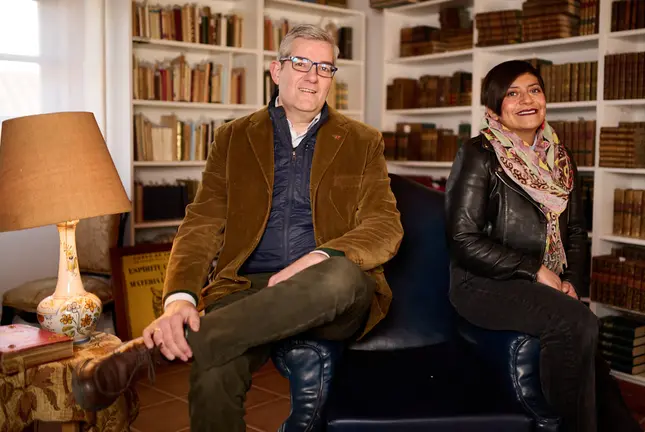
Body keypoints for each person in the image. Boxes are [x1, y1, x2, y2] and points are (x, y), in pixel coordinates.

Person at [72, 24, 403, 431]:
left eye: (324, 67)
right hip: (245, 289)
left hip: (330, 293)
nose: (313, 75)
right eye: (301, 62)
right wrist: (179, 298)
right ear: (276, 71)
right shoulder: (233, 138)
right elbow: (202, 223)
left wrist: (316, 258)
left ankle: (150, 355)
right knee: (213, 374)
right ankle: (192, 341)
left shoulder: (361, 141)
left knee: (339, 275)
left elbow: (384, 225)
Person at [444, 60, 642, 432]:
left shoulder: (563, 161)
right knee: (575, 324)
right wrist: (535, 271)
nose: (527, 100)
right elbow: (462, 240)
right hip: (483, 283)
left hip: (545, 281)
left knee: (584, 334)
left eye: (534, 90)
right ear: (493, 109)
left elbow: (577, 233)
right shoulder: (477, 155)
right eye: (513, 94)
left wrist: (573, 285)